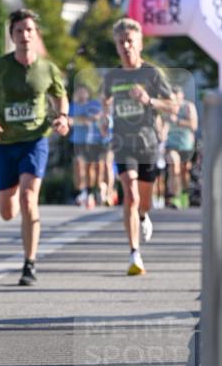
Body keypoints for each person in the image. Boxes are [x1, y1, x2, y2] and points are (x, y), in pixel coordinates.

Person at [0, 9, 69, 286]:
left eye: (29, 30)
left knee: (29, 198)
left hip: (35, 140)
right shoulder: (0, 67)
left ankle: (30, 262)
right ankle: (13, 206)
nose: (25, 36)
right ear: (12, 36)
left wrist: (62, 117)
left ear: (35, 34)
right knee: (7, 211)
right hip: (4, 143)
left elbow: (60, 97)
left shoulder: (48, 68)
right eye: (19, 31)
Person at [101, 18, 176, 276]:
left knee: (144, 201)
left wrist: (149, 100)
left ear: (140, 44)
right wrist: (103, 117)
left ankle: (144, 216)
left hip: (148, 143)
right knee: (130, 195)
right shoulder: (112, 76)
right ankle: (135, 254)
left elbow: (173, 105)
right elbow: (105, 101)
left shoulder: (152, 74)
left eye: (130, 41)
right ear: (116, 46)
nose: (125, 46)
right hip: (123, 144)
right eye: (121, 42)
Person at [69, 82, 104, 208]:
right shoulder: (72, 106)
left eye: (83, 91)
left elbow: (99, 116)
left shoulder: (93, 104)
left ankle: (90, 192)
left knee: (91, 168)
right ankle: (80, 192)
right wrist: (84, 119)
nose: (81, 94)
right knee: (79, 165)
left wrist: (83, 119)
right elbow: (70, 120)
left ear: (88, 93)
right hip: (77, 141)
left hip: (92, 141)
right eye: (79, 92)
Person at [164, 86, 198, 208]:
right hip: (171, 144)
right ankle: (175, 196)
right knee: (174, 167)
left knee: (184, 171)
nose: (175, 101)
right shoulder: (167, 108)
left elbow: (194, 125)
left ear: (182, 96)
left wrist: (177, 121)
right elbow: (162, 125)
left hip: (186, 144)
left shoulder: (188, 107)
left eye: (177, 98)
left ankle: (184, 194)